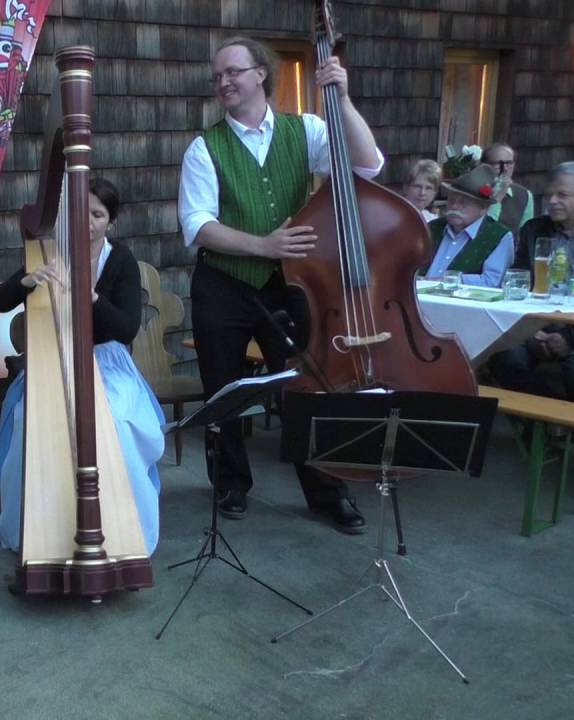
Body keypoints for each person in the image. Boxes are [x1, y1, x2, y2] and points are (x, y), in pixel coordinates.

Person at [178, 36, 385, 534]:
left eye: (233, 71)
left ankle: (326, 491)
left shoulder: (307, 129)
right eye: (218, 76)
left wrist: (343, 96)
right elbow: (198, 225)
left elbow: (367, 164)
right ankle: (229, 483)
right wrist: (263, 246)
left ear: (261, 74)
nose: (224, 82)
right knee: (223, 385)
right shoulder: (204, 146)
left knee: (308, 383)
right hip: (223, 283)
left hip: (291, 284)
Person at [0, 178, 166, 554]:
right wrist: (28, 280)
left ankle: (121, 525)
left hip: (107, 361)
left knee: (116, 421)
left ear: (111, 222)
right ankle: (40, 527)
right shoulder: (50, 254)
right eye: (81, 212)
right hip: (55, 362)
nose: (88, 221)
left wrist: (91, 295)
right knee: (28, 420)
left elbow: (126, 327)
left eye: (98, 214)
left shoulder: (121, 261)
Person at [488, 162, 574, 401]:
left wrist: (567, 337)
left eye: (562, 195)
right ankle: (542, 424)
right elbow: (519, 282)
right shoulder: (534, 229)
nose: (551, 201)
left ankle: (573, 430)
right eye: (548, 194)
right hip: (537, 324)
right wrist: (533, 331)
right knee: (500, 353)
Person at [423, 163, 515, 287]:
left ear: (483, 208)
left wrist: (450, 281)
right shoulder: (432, 227)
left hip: (462, 303)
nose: (455, 206)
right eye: (451, 200)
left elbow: (491, 281)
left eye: (463, 202)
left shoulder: (498, 236)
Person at [482, 143, 535, 236]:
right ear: (484, 165)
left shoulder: (524, 195)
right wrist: (497, 197)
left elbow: (525, 234)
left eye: (509, 163)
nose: (504, 169)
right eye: (497, 163)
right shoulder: (473, 191)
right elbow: (482, 228)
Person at [403, 159, 442, 223]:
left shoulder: (432, 221)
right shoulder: (392, 216)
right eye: (417, 186)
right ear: (405, 188)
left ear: (435, 192)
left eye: (428, 188)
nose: (422, 193)